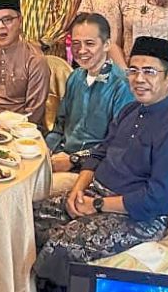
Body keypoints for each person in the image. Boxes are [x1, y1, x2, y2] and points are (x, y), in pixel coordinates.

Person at [27, 36, 168, 292]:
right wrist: (80, 188)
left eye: (149, 72)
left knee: (61, 245)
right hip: (96, 195)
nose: (139, 79)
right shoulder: (132, 110)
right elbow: (100, 152)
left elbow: (155, 200)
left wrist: (96, 205)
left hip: (137, 217)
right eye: (133, 70)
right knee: (26, 219)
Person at [45, 13, 134, 195]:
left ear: (107, 44)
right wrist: (46, 150)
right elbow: (59, 126)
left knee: (33, 191)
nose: (82, 50)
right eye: (76, 44)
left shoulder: (121, 86)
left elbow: (118, 145)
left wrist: (74, 159)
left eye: (90, 43)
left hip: (93, 170)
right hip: (61, 157)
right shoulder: (76, 77)